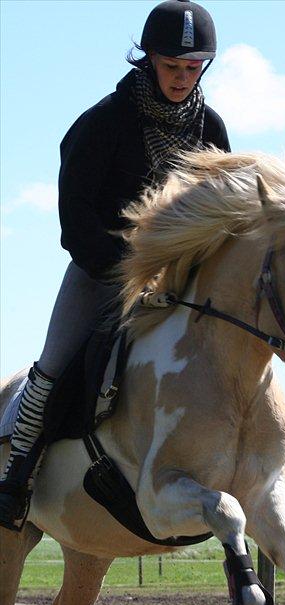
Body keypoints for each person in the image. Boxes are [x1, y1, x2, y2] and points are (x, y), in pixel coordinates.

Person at [0, 0, 230, 530]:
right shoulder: (103, 123)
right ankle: (16, 477)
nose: (181, 77)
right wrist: (127, 268)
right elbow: (74, 220)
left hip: (182, 281)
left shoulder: (211, 129)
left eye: (192, 67)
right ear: (148, 58)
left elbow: (223, 216)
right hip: (102, 272)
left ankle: (255, 468)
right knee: (54, 366)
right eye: (172, 66)